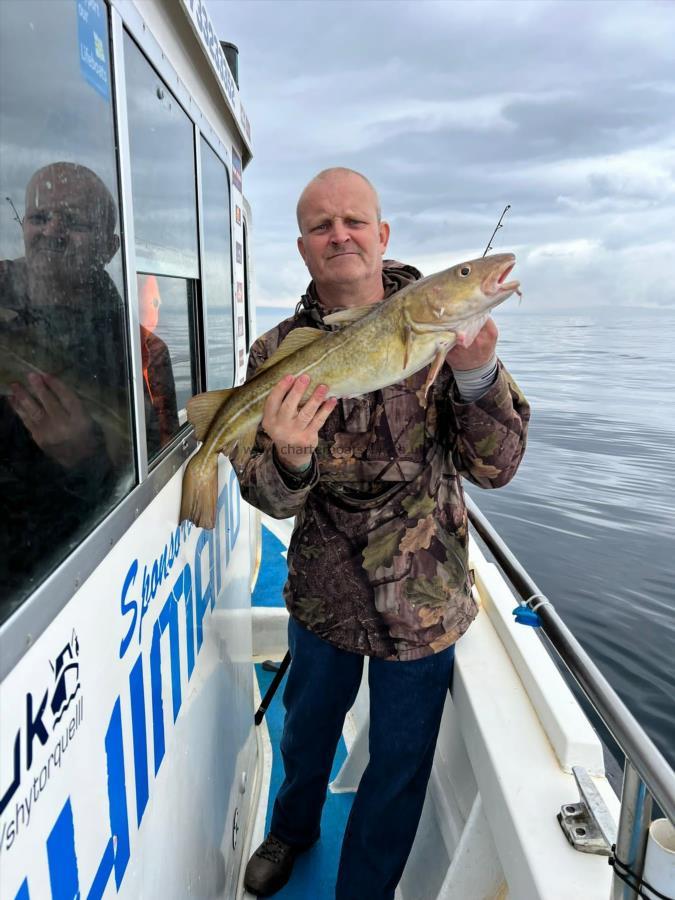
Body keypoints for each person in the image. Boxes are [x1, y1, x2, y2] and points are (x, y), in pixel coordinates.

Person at [239, 167, 530, 899]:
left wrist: (475, 373)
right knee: (306, 738)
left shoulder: (444, 329)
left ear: (382, 236)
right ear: (303, 248)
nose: (340, 234)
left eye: (354, 221)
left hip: (423, 606)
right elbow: (265, 495)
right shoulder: (277, 351)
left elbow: (495, 468)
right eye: (320, 225)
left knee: (399, 769)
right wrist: (291, 456)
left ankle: (363, 893)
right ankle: (290, 831)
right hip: (322, 595)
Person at [0, 162, 177, 618]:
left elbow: (154, 487)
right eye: (39, 217)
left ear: (109, 246)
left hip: (61, 581)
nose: (52, 230)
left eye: (74, 222)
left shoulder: (142, 354)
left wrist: (82, 458)